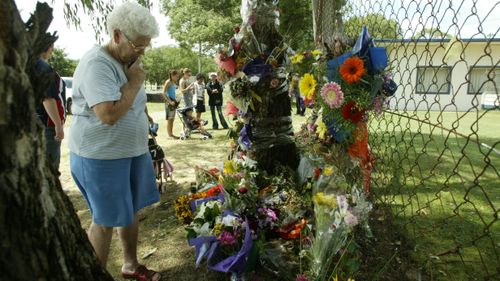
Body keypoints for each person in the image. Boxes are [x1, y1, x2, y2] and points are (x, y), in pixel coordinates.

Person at [68, 3, 161, 281]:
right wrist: (133, 83)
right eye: (137, 45)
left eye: (146, 46)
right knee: (105, 219)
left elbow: (136, 103)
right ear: (117, 35)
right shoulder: (97, 64)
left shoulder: (129, 58)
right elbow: (108, 114)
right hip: (101, 157)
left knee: (130, 209)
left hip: (131, 151)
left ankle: (130, 266)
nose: (141, 52)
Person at [36, 41, 66, 175]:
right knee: (51, 167)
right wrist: (58, 125)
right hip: (48, 125)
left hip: (41, 122)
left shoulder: (33, 65)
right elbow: (47, 98)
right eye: (51, 47)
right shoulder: (43, 67)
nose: (52, 50)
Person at [162, 69, 180, 139]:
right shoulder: (168, 82)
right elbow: (163, 93)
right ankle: (170, 135)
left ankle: (171, 134)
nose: (177, 78)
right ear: (172, 75)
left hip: (174, 101)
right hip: (169, 102)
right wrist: (170, 101)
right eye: (176, 76)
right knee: (170, 119)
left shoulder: (173, 82)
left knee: (172, 119)